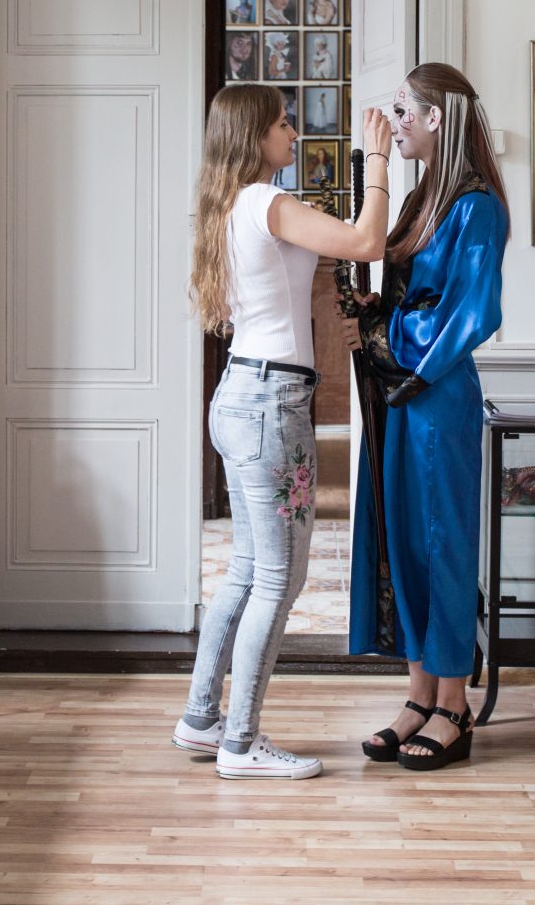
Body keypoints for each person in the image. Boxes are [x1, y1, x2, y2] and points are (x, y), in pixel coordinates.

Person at [177, 84, 393, 780]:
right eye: (282, 123)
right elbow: (367, 240)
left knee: (248, 570)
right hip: (271, 404)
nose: (293, 133)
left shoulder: (230, 204)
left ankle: (202, 718)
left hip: (243, 394)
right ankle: (241, 744)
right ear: (255, 136)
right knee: (279, 577)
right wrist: (378, 160)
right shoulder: (268, 202)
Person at [343, 62, 507, 770]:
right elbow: (407, 295)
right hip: (397, 392)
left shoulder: (477, 207)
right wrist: (374, 309)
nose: (395, 122)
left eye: (404, 110)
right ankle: (418, 696)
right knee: (403, 538)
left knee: (443, 543)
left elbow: (470, 314)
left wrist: (387, 334)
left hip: (435, 395)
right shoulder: (419, 200)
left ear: (438, 118)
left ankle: (454, 705)